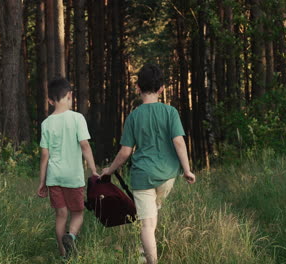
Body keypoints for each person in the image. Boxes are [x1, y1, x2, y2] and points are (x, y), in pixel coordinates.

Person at [101, 64, 196, 264]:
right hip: (167, 176)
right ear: (161, 88)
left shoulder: (134, 116)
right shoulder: (170, 112)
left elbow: (125, 152)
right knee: (151, 218)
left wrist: (109, 170)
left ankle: (149, 259)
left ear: (137, 88)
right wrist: (187, 170)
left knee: (146, 224)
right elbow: (178, 141)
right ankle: (142, 254)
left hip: (143, 177)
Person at [36, 77, 99, 258]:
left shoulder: (46, 123)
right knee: (77, 213)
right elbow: (85, 146)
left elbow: (44, 155)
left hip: (54, 177)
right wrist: (93, 170)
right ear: (70, 95)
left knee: (61, 215)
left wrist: (42, 182)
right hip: (73, 176)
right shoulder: (77, 118)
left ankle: (64, 256)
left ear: (50, 101)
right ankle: (71, 236)